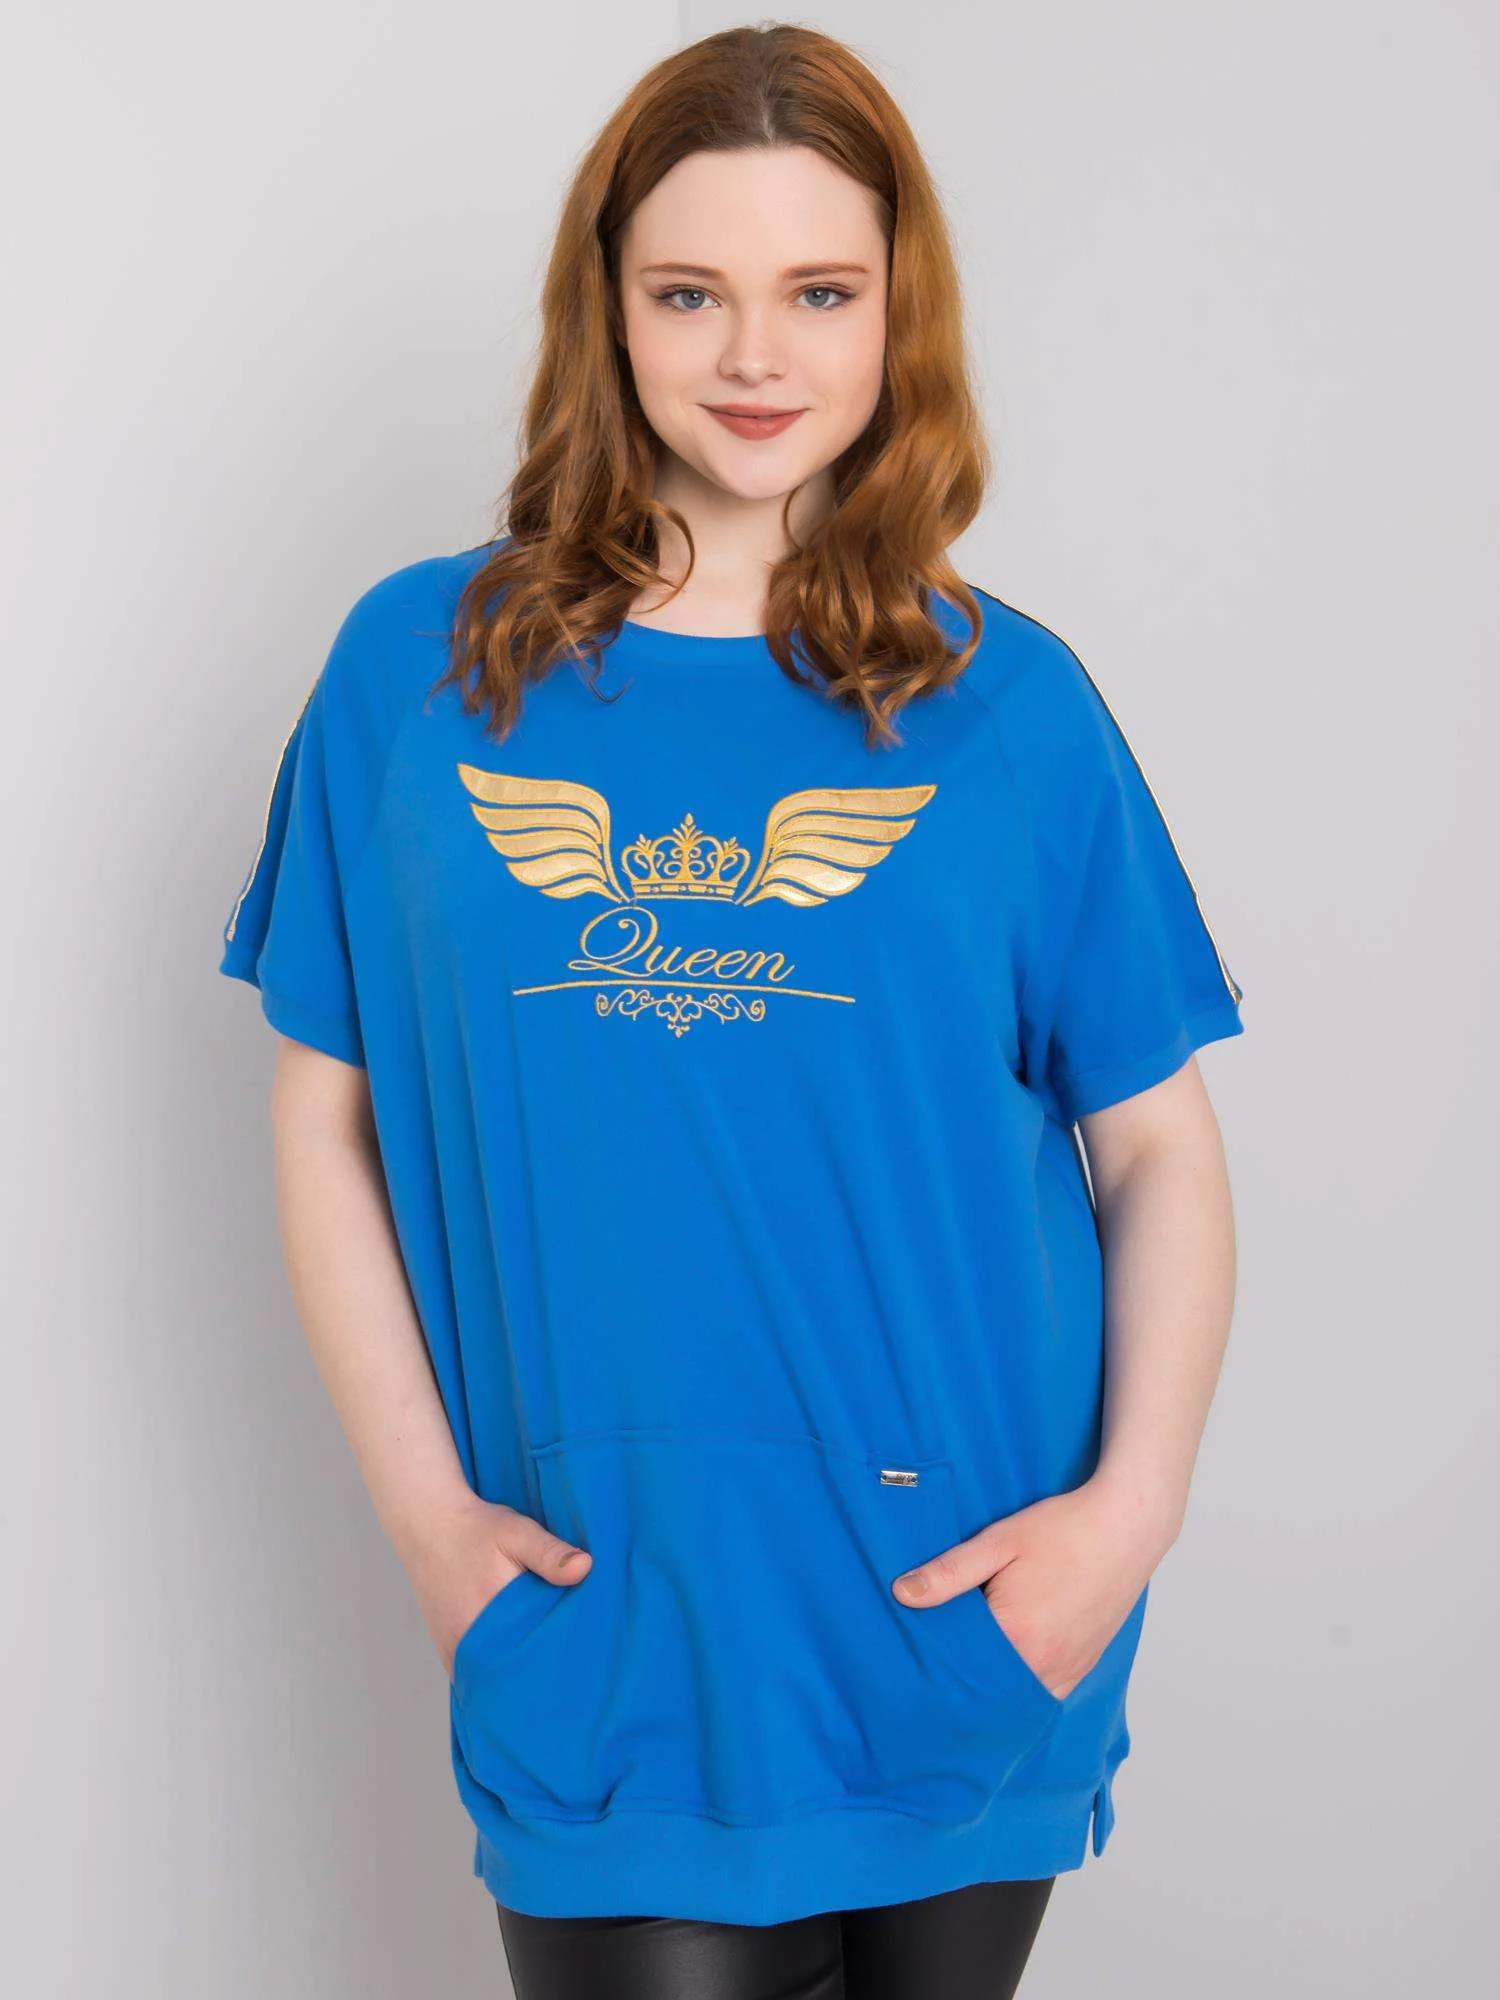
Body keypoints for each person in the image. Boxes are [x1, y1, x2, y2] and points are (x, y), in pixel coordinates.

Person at [217, 22, 1245, 1998]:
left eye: (820, 293)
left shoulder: (1006, 704)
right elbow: (323, 1114)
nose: (756, 355)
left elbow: (1156, 1149)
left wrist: (1126, 1519)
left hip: (966, 1611)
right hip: (605, 1636)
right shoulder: (419, 680)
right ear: (605, 311)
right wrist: (431, 1525)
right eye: (691, 292)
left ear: (897, 312)